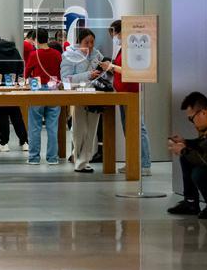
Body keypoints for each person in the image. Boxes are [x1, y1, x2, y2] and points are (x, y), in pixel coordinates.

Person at [103, 19, 152, 176]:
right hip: (122, 93)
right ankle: (132, 161)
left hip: (131, 92)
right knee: (128, 128)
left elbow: (131, 70)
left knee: (138, 127)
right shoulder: (122, 48)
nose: (114, 37)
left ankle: (144, 164)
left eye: (114, 33)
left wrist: (112, 67)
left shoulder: (132, 48)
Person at [60, 27, 108, 173]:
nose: (90, 45)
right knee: (79, 129)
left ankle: (85, 160)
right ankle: (78, 159)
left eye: (92, 42)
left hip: (95, 94)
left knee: (93, 130)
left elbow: (103, 75)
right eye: (86, 42)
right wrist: (88, 75)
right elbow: (65, 79)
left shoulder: (97, 55)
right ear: (78, 42)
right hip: (78, 95)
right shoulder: (68, 55)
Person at [24, 28, 62, 165]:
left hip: (37, 90)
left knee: (35, 125)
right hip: (54, 90)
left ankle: (34, 158)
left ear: (35, 39)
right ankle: (52, 158)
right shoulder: (57, 54)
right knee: (52, 126)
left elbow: (27, 73)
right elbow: (61, 72)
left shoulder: (34, 55)